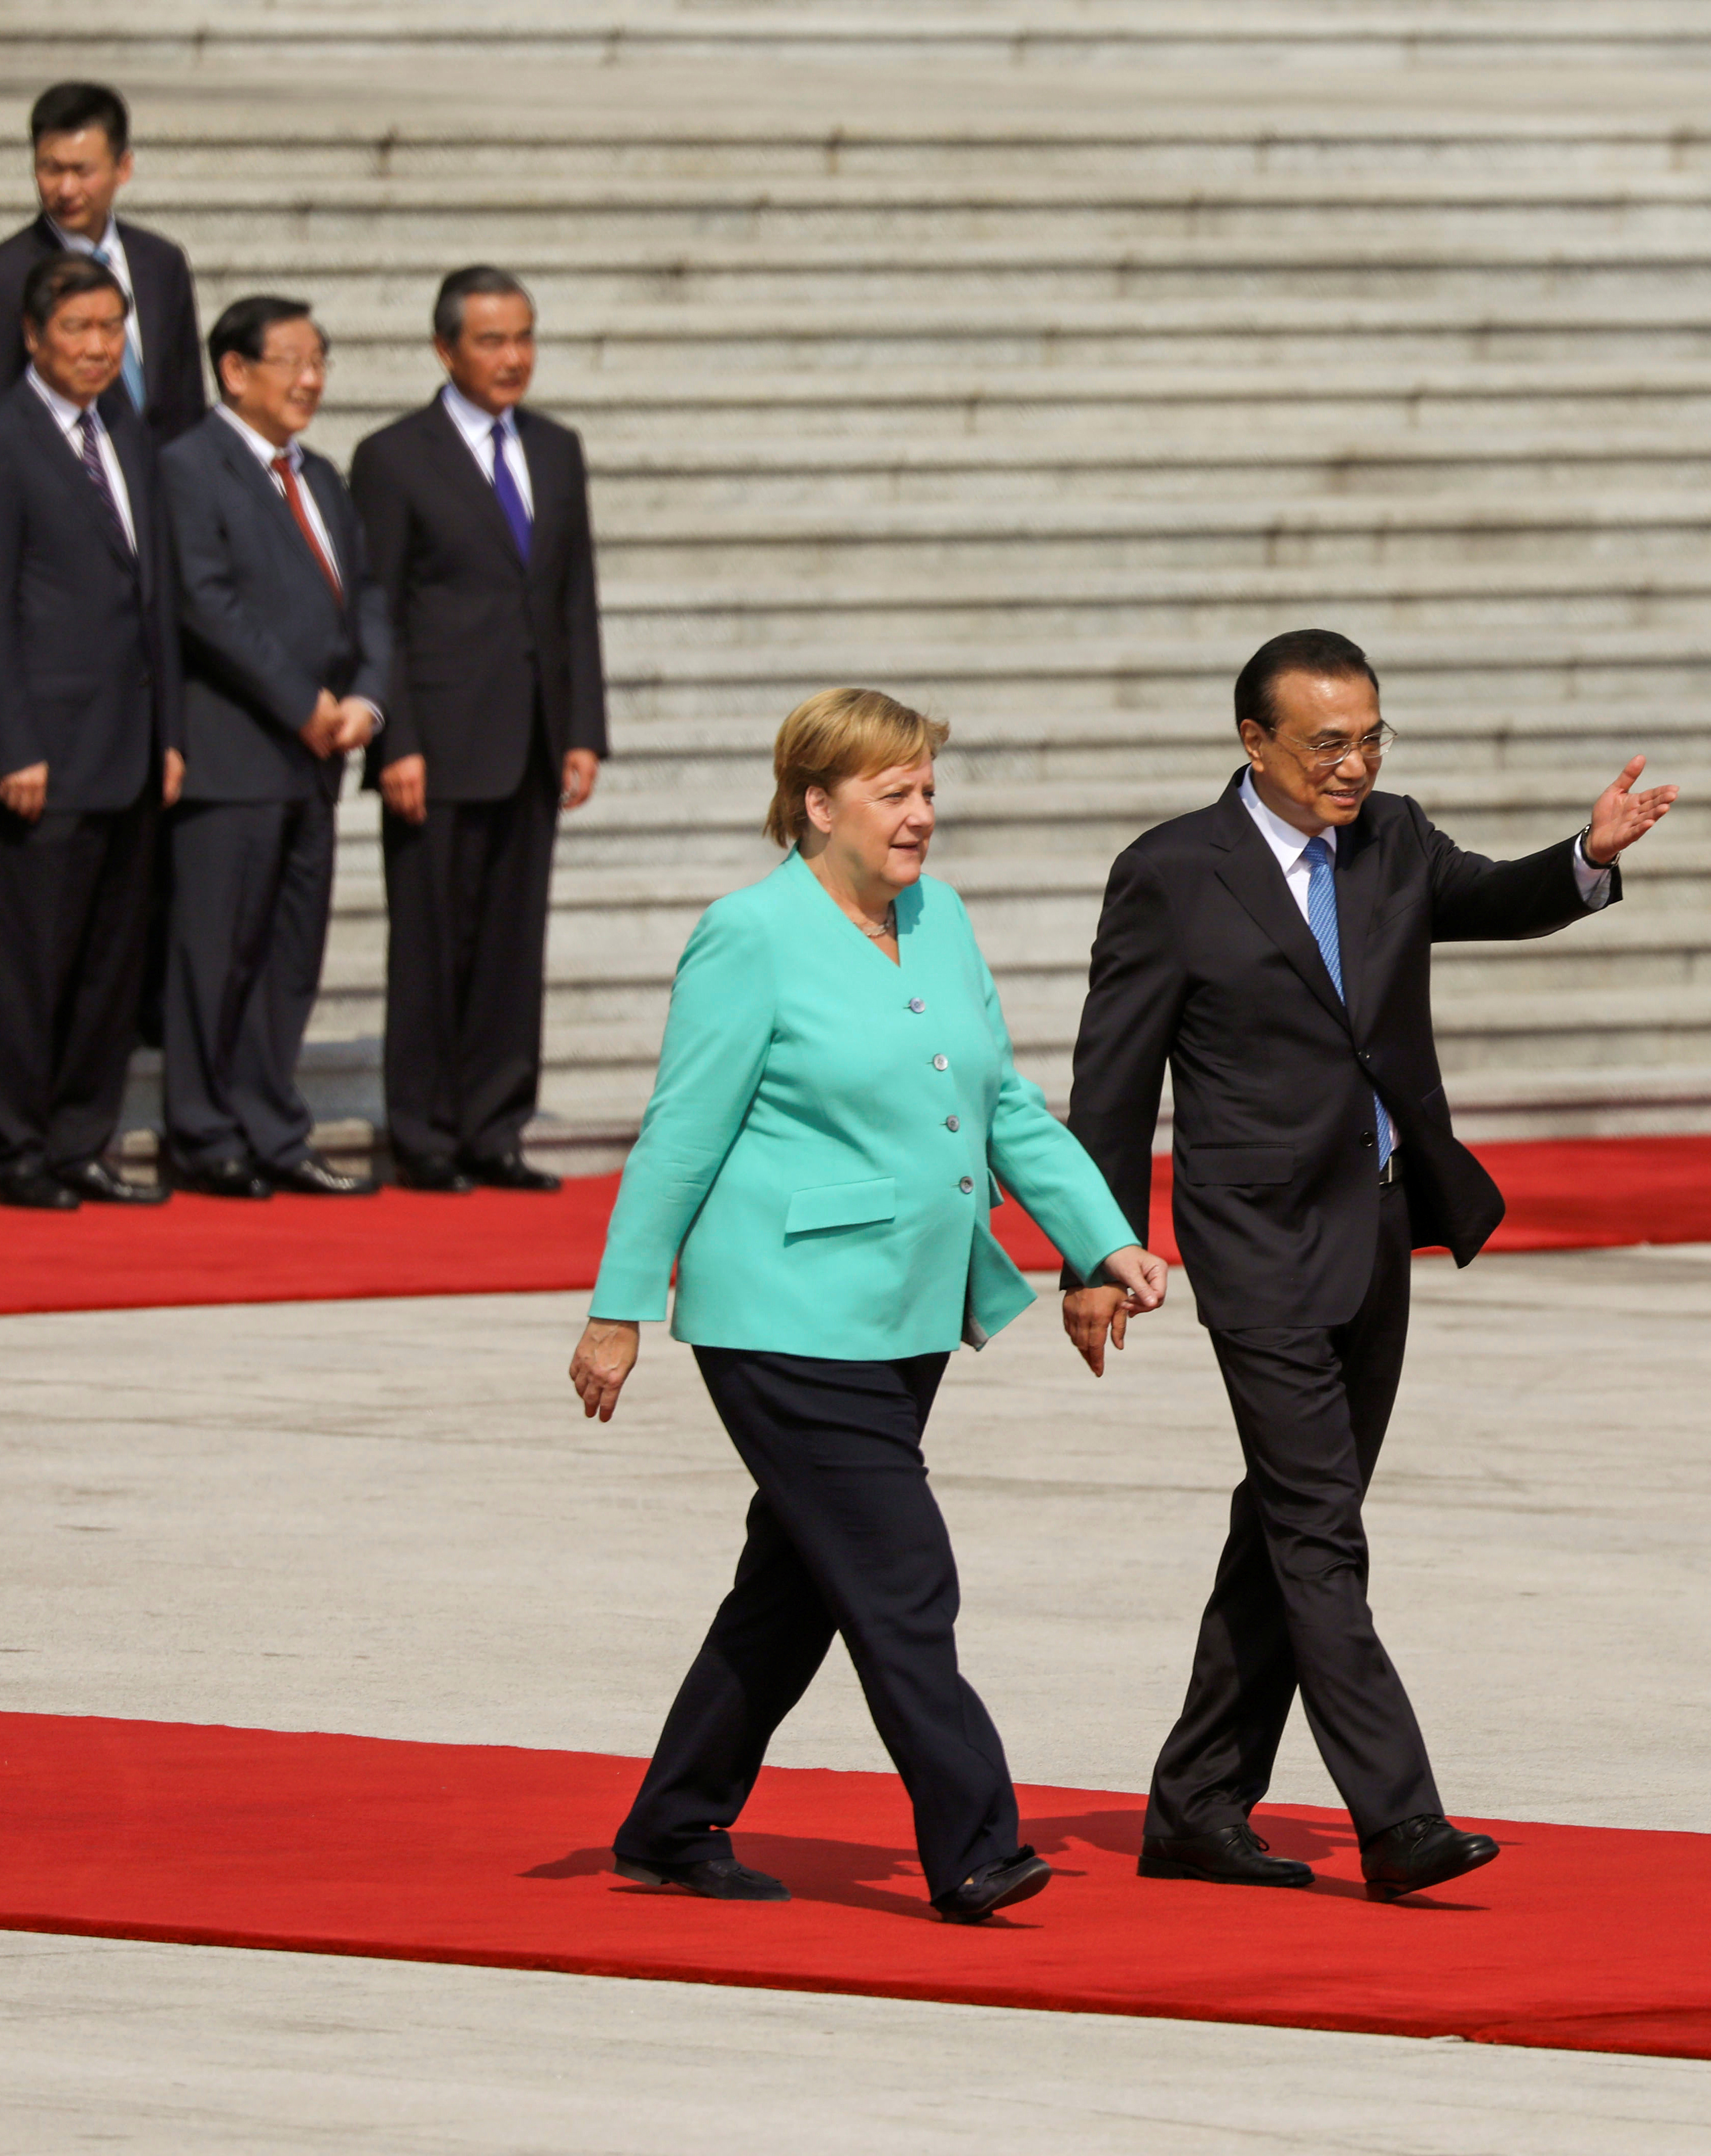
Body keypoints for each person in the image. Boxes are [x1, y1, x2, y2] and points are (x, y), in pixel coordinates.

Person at [1061, 628, 1678, 1901]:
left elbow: (1493, 897)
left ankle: (1193, 1803)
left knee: (1285, 1521)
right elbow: (1111, 1083)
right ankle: (1397, 1816)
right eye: (1327, 742)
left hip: (1379, 1225)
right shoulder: (1172, 872)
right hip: (1254, 1238)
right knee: (1318, 1527)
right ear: (1255, 743)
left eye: (1370, 736)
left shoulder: (1392, 837)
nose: (1354, 763)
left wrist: (1587, 855)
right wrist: (1092, 1249)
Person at [567, 688, 1169, 1922]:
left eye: (928, 791)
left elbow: (1003, 1108)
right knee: (902, 1575)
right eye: (895, 792)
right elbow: (683, 1128)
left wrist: (1104, 1238)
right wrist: (619, 1305)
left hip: (901, 1312)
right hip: (780, 1314)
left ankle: (672, 1820)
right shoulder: (750, 933)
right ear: (815, 802)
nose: (921, 815)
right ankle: (974, 1843)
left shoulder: (937, 919)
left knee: (795, 1585)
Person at [351, 265, 604, 1195]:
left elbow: (571, 594)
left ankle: (495, 1126)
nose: (512, 358)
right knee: (429, 944)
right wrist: (395, 741)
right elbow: (377, 610)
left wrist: (581, 728)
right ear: (445, 348)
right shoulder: (392, 455)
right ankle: (422, 1134)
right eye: (492, 340)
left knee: (510, 945)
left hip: (531, 740)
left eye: (523, 337)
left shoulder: (555, 447)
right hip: (436, 743)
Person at [0, 252, 181, 1212]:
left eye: (110, 328)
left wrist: (169, 729)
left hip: (129, 746)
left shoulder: (125, 426)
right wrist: (12, 745)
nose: (97, 348)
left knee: (107, 966)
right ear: (34, 336)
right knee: (26, 967)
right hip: (43, 751)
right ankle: (8, 1151)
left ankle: (80, 1140)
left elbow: (153, 594)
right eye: (78, 330)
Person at [159, 295, 388, 1199]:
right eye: (290, 360)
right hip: (233, 752)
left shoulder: (322, 475)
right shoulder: (188, 466)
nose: (309, 379)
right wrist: (303, 704)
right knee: (215, 954)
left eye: (318, 359)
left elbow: (366, 596)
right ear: (233, 370)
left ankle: (270, 1125)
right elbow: (206, 603)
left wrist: (364, 704)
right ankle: (203, 1128)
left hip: (317, 758)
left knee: (291, 956)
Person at [0, 83, 201, 449]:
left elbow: (186, 399)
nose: (66, 189)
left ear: (123, 167)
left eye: (83, 171)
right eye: (51, 170)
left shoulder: (162, 261)